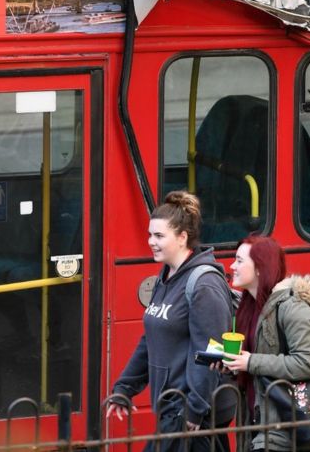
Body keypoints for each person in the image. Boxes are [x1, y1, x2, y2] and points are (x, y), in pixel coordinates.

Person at [107, 191, 237, 452]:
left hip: (191, 416)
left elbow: (211, 350)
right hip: (172, 408)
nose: (150, 242)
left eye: (159, 236)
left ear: (182, 238)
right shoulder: (165, 278)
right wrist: (124, 388)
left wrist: (194, 410)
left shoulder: (204, 285)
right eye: (149, 234)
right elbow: (151, 339)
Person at [222, 234, 310, 451]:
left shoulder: (292, 306)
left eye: (240, 260)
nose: (232, 265)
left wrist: (251, 362)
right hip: (256, 424)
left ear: (260, 268)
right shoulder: (248, 306)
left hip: (286, 428)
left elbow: (308, 362)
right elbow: (255, 365)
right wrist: (232, 364)